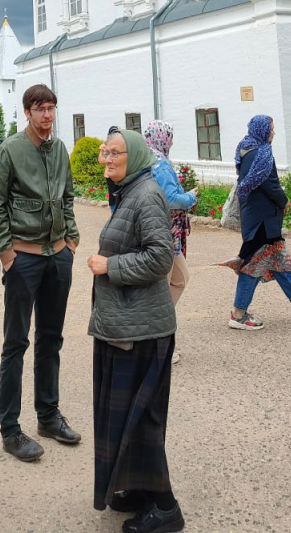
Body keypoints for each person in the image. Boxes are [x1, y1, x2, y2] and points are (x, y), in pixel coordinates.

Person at [87, 128, 184, 533]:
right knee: (125, 416)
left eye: (115, 153)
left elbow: (161, 258)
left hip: (143, 330)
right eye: (104, 152)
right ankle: (140, 489)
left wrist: (111, 267)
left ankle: (165, 508)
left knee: (141, 419)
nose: (106, 159)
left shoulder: (146, 196)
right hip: (125, 325)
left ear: (137, 155)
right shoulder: (130, 191)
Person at [0, 83, 80, 462]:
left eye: (51, 108)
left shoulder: (59, 150)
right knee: (15, 343)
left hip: (58, 256)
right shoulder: (10, 150)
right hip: (23, 259)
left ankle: (48, 416)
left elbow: (68, 196)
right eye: (40, 109)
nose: (47, 115)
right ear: (27, 112)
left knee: (51, 339)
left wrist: (71, 240)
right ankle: (10, 430)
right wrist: (7, 256)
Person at [220, 114, 291, 330]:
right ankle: (238, 314)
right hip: (262, 221)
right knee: (252, 265)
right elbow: (270, 185)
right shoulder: (261, 153)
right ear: (262, 130)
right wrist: (284, 201)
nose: (273, 132)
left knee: (281, 262)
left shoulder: (246, 148)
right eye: (271, 128)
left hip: (259, 218)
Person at [143, 121, 197, 363]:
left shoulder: (146, 157)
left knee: (178, 279)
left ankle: (154, 333)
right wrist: (191, 197)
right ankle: (152, 340)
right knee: (167, 285)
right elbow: (171, 199)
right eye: (170, 137)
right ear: (161, 137)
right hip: (164, 232)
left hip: (161, 232)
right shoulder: (160, 163)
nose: (172, 141)